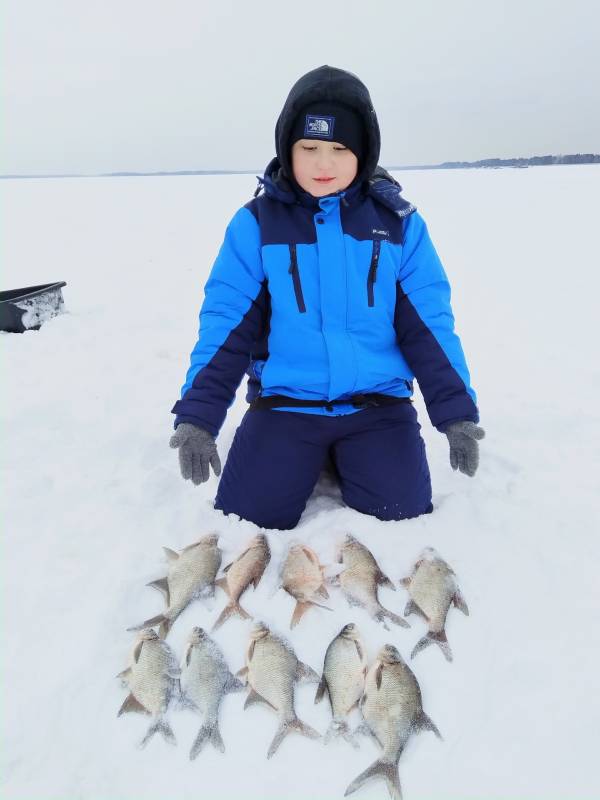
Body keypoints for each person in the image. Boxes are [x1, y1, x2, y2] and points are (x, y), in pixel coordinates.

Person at [170, 64, 484, 530]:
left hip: (378, 406)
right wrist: (199, 416)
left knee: (401, 514)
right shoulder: (256, 225)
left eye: (340, 149)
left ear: (364, 153)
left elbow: (429, 324)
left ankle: (347, 456)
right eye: (309, 147)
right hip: (286, 405)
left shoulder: (399, 225)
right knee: (246, 519)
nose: (323, 164)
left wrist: (455, 412)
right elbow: (226, 324)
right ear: (287, 149)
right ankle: (306, 456)